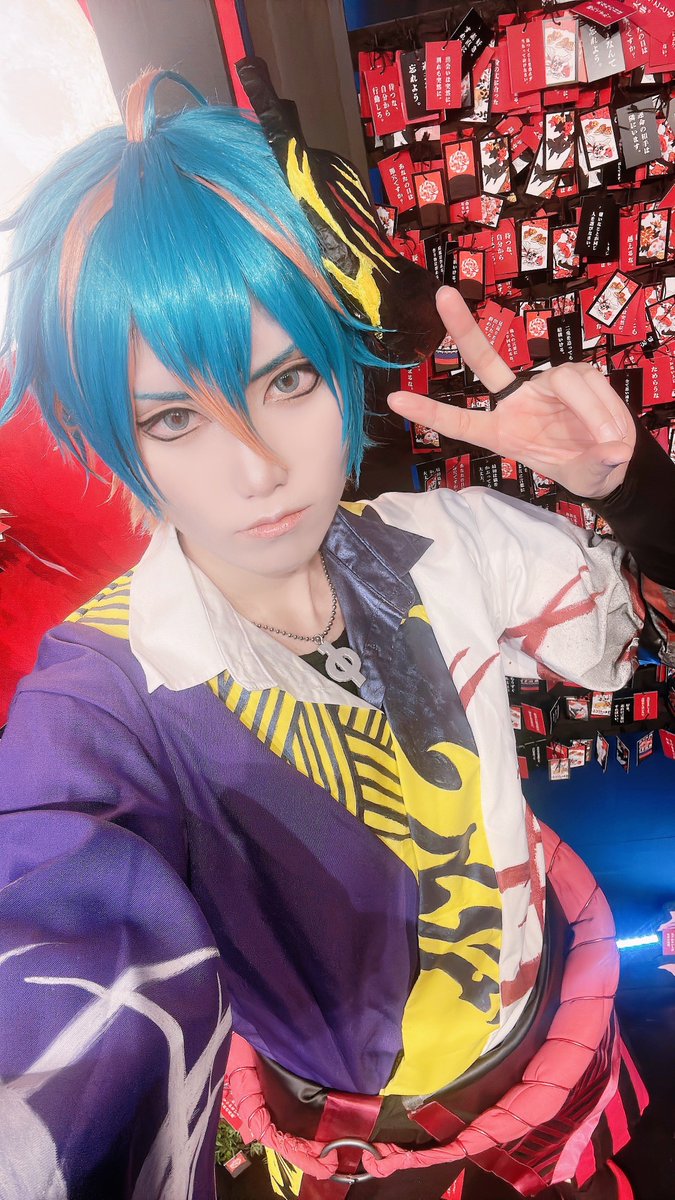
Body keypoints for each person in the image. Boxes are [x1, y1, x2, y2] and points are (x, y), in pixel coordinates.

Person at [0, 67, 674, 1200]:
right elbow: (55, 966)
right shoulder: (102, 696)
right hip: (359, 1150)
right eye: (176, 416)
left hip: (556, 1046)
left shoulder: (449, 543)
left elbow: (640, 641)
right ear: (112, 435)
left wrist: (634, 493)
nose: (258, 469)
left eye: (289, 379)